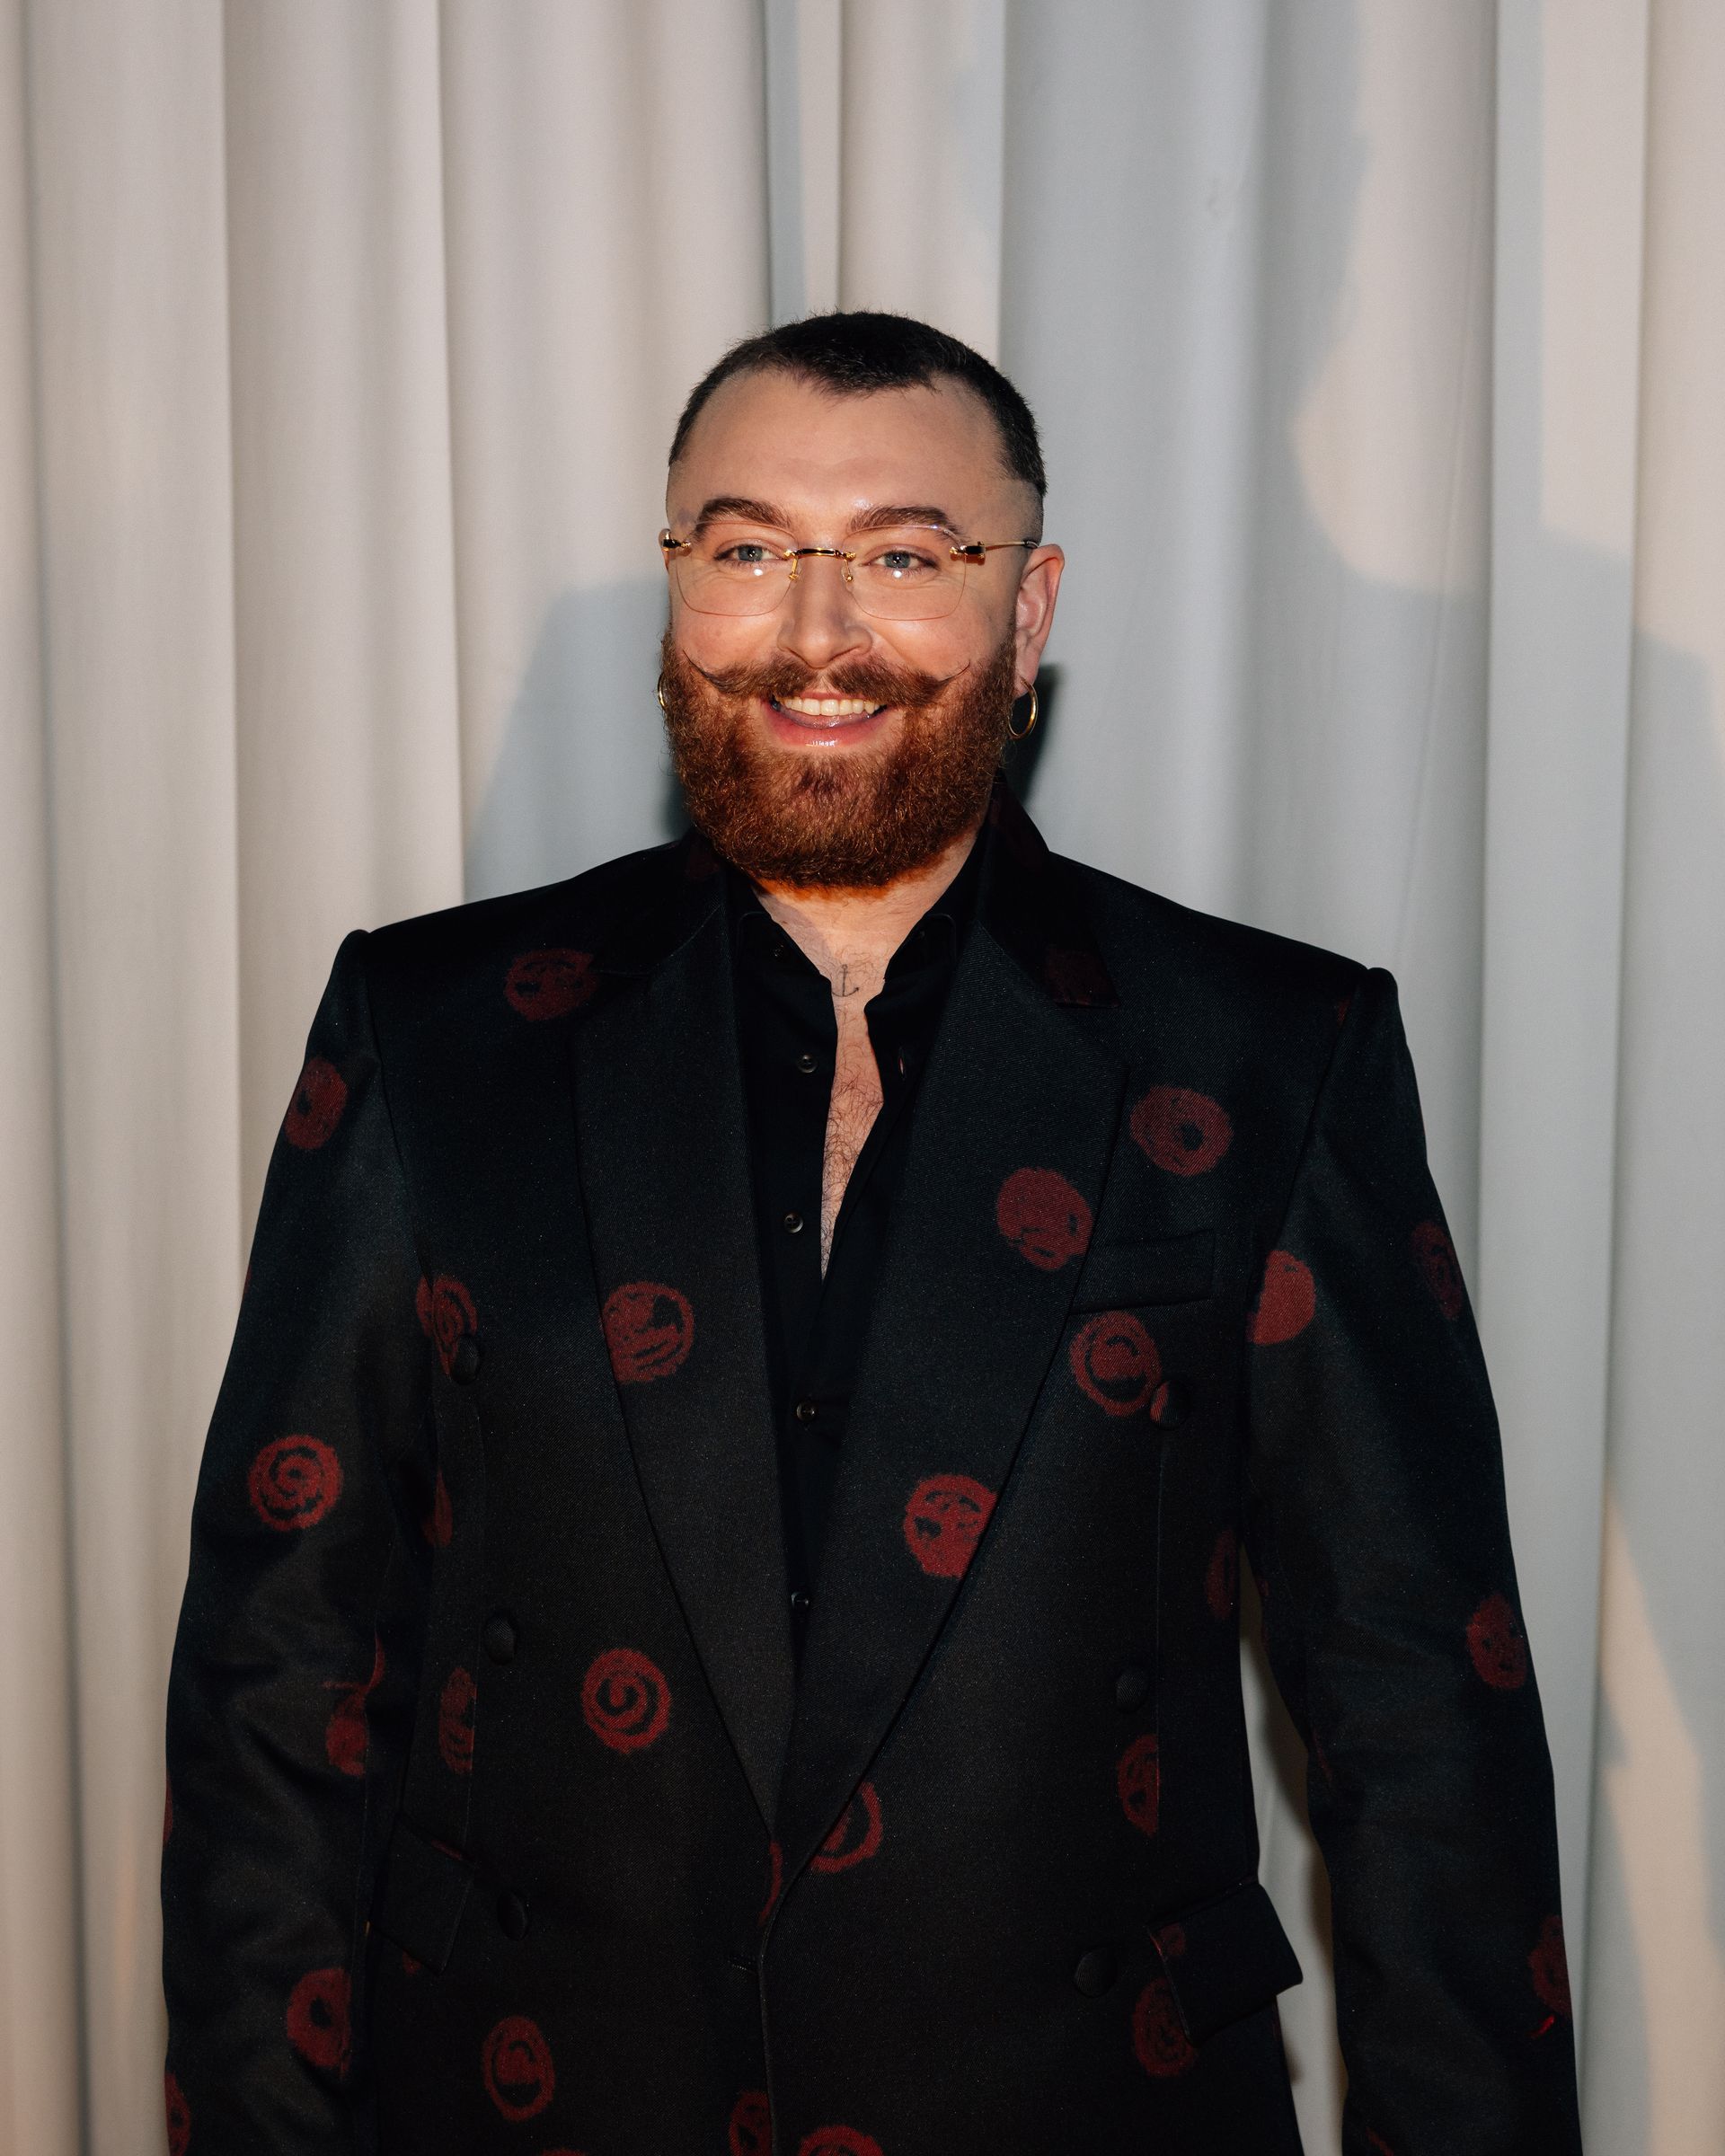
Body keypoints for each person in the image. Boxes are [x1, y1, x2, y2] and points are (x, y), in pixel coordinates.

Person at [162, 311, 1583, 2155]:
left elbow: (1421, 1723)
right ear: (676, 586)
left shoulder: (1263, 1057)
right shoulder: (436, 1040)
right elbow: (284, 1677)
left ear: (1033, 605)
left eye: (908, 557)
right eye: (748, 549)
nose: (817, 634)